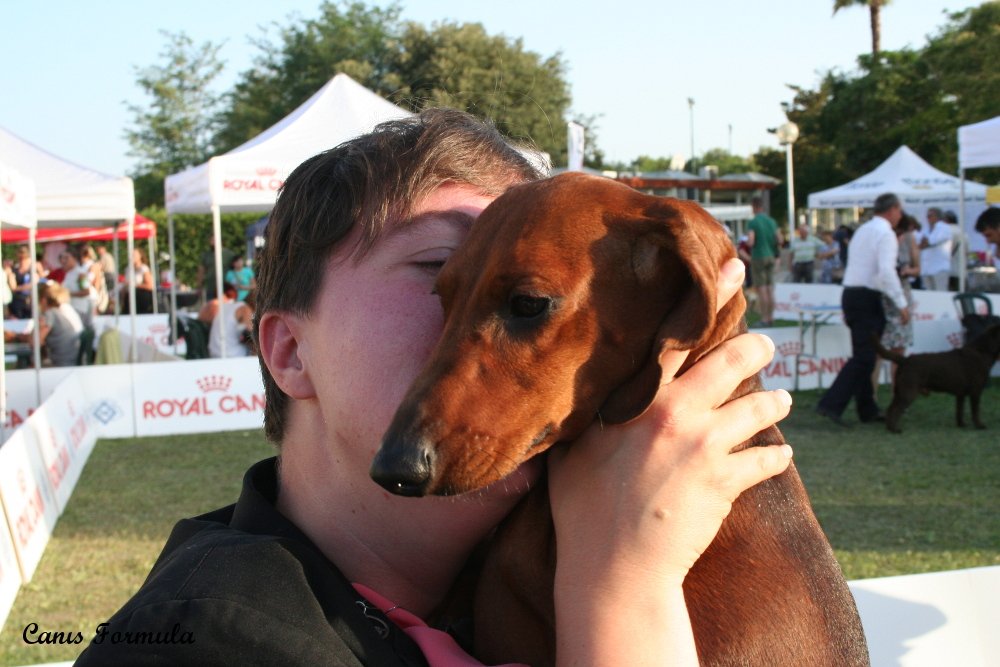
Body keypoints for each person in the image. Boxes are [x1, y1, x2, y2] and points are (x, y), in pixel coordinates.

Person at [76, 109, 793, 666]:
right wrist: (623, 587)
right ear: (290, 351)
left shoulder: (498, 595)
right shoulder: (203, 635)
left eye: (524, 288)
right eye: (443, 268)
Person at [817, 192, 909, 426]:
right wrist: (901, 303)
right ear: (893, 210)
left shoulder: (863, 230)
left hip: (852, 293)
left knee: (866, 354)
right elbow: (886, 272)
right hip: (867, 296)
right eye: (899, 211)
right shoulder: (885, 233)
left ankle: (867, 409)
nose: (900, 215)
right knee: (865, 356)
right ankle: (831, 403)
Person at [872, 213, 920, 397]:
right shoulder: (883, 237)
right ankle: (872, 398)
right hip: (883, 297)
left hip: (901, 295)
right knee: (877, 351)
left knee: (898, 352)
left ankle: (897, 396)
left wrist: (909, 270)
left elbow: (918, 269)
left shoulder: (909, 240)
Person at [8, 282, 83, 367]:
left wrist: (17, 336)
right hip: (65, 360)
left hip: (61, 364)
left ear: (43, 300)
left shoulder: (49, 314)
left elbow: (35, 341)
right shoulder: (56, 312)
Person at [746, 196, 782, 325]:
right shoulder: (772, 221)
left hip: (758, 256)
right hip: (771, 256)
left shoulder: (753, 222)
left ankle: (764, 318)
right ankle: (771, 317)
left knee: (762, 289)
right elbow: (780, 239)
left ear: (754, 207)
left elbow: (751, 241)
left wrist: (747, 242)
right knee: (770, 289)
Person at [61, 245, 98, 327]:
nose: (63, 261)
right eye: (62, 258)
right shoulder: (69, 274)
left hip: (79, 310)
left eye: (67, 258)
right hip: (72, 310)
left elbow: (86, 291)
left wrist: (68, 294)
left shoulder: (80, 274)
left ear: (74, 258)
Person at [919, 207, 952, 291]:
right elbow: (920, 244)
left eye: (930, 215)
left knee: (941, 293)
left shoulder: (944, 227)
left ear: (938, 216)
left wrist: (924, 242)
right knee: (929, 295)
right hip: (926, 268)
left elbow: (930, 241)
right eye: (927, 216)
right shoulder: (926, 228)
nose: (928, 218)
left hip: (939, 268)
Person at [197, 235, 237, 301]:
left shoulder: (229, 254)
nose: (212, 242)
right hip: (211, 288)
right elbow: (201, 271)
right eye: (211, 240)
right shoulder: (206, 255)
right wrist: (199, 286)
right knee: (212, 308)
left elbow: (237, 269)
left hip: (226, 288)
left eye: (214, 240)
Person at [10, 244, 37, 319]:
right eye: (21, 258)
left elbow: (38, 280)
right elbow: (13, 287)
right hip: (18, 300)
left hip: (32, 299)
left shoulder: (34, 269)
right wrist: (28, 286)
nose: (23, 261)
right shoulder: (14, 270)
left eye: (25, 258)